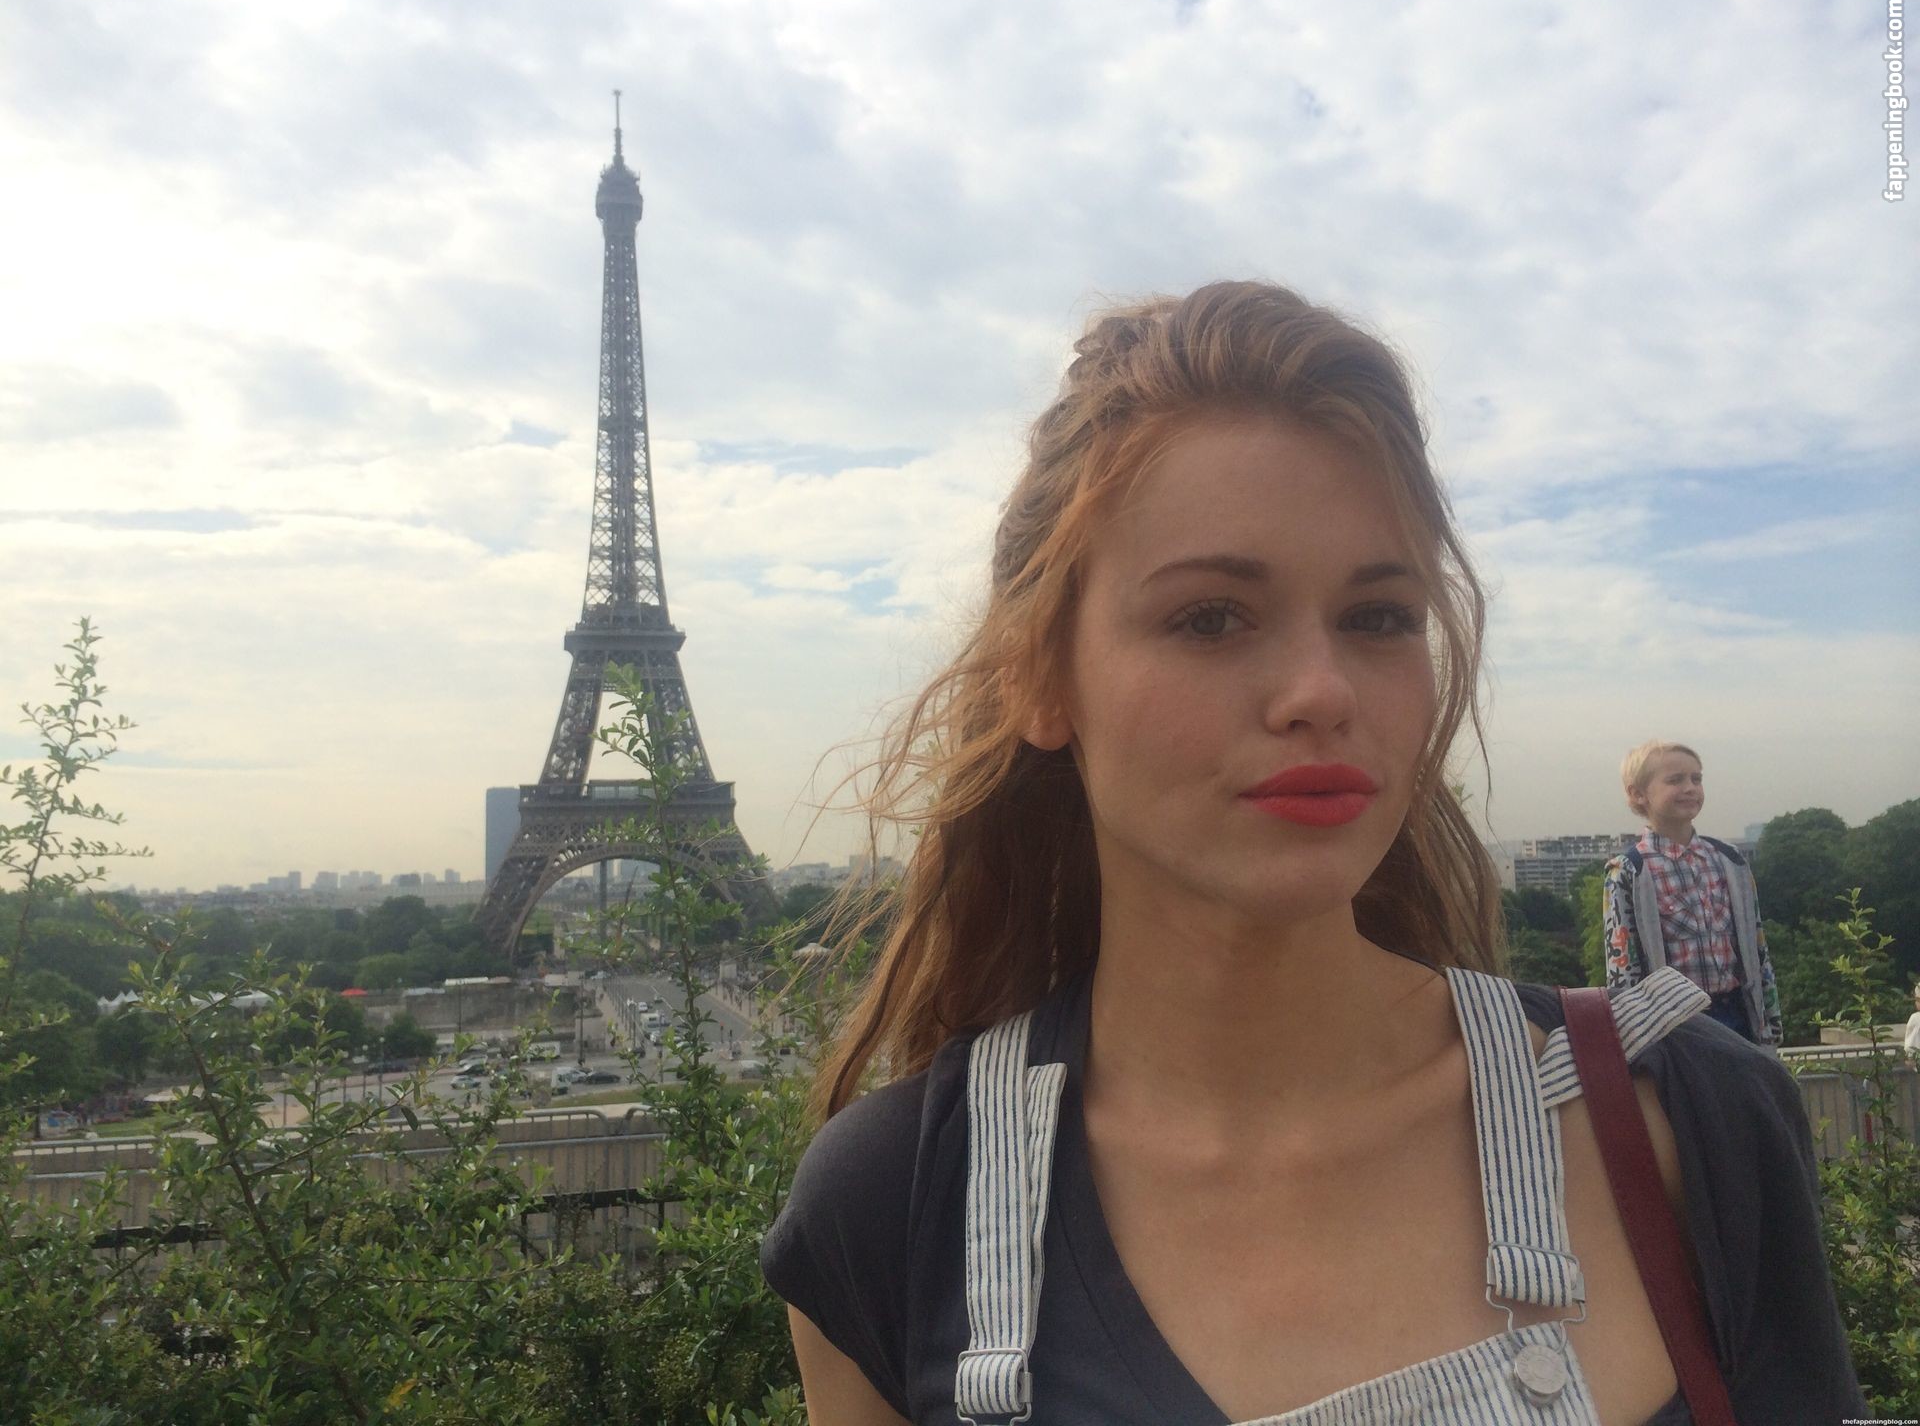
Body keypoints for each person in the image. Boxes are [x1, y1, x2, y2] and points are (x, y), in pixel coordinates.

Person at [761, 282, 1861, 1423]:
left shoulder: (1699, 1115)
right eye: (1210, 617)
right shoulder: (883, 1212)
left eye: (1379, 618)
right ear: (1040, 676)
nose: (1322, 691)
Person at [1602, 742, 1783, 1050]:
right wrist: (1635, 1043)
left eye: (1696, 779)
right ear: (1638, 794)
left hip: (1737, 1015)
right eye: (1675, 780)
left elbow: (1757, 948)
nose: (1690, 788)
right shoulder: (1630, 871)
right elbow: (1622, 969)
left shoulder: (1730, 861)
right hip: (1675, 1026)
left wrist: (1771, 1023)